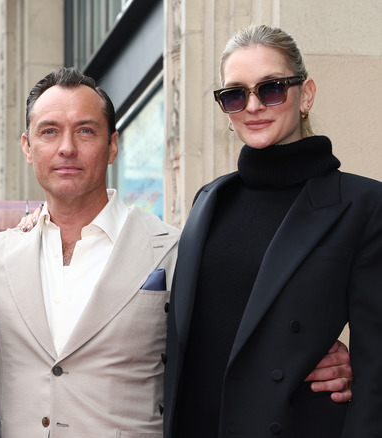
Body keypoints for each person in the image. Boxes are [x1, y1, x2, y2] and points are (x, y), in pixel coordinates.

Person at [0, 67, 353, 437]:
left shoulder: (176, 251)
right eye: (49, 131)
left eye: (86, 131)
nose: (67, 148)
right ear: (27, 146)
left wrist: (316, 355)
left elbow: (242, 336)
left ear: (113, 145)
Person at [163, 25, 382, 437]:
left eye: (272, 88)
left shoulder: (363, 205)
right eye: (235, 94)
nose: (253, 106)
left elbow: (377, 368)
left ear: (306, 95)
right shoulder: (208, 200)